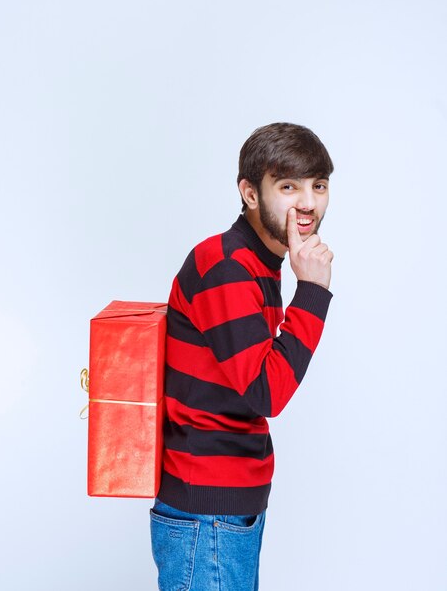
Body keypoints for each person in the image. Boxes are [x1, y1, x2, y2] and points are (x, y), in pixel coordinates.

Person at [150, 122, 334, 591]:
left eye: (319, 185)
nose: (308, 202)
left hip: (225, 507)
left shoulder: (260, 263)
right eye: (288, 186)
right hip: (206, 512)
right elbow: (267, 391)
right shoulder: (225, 264)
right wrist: (311, 292)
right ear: (250, 194)